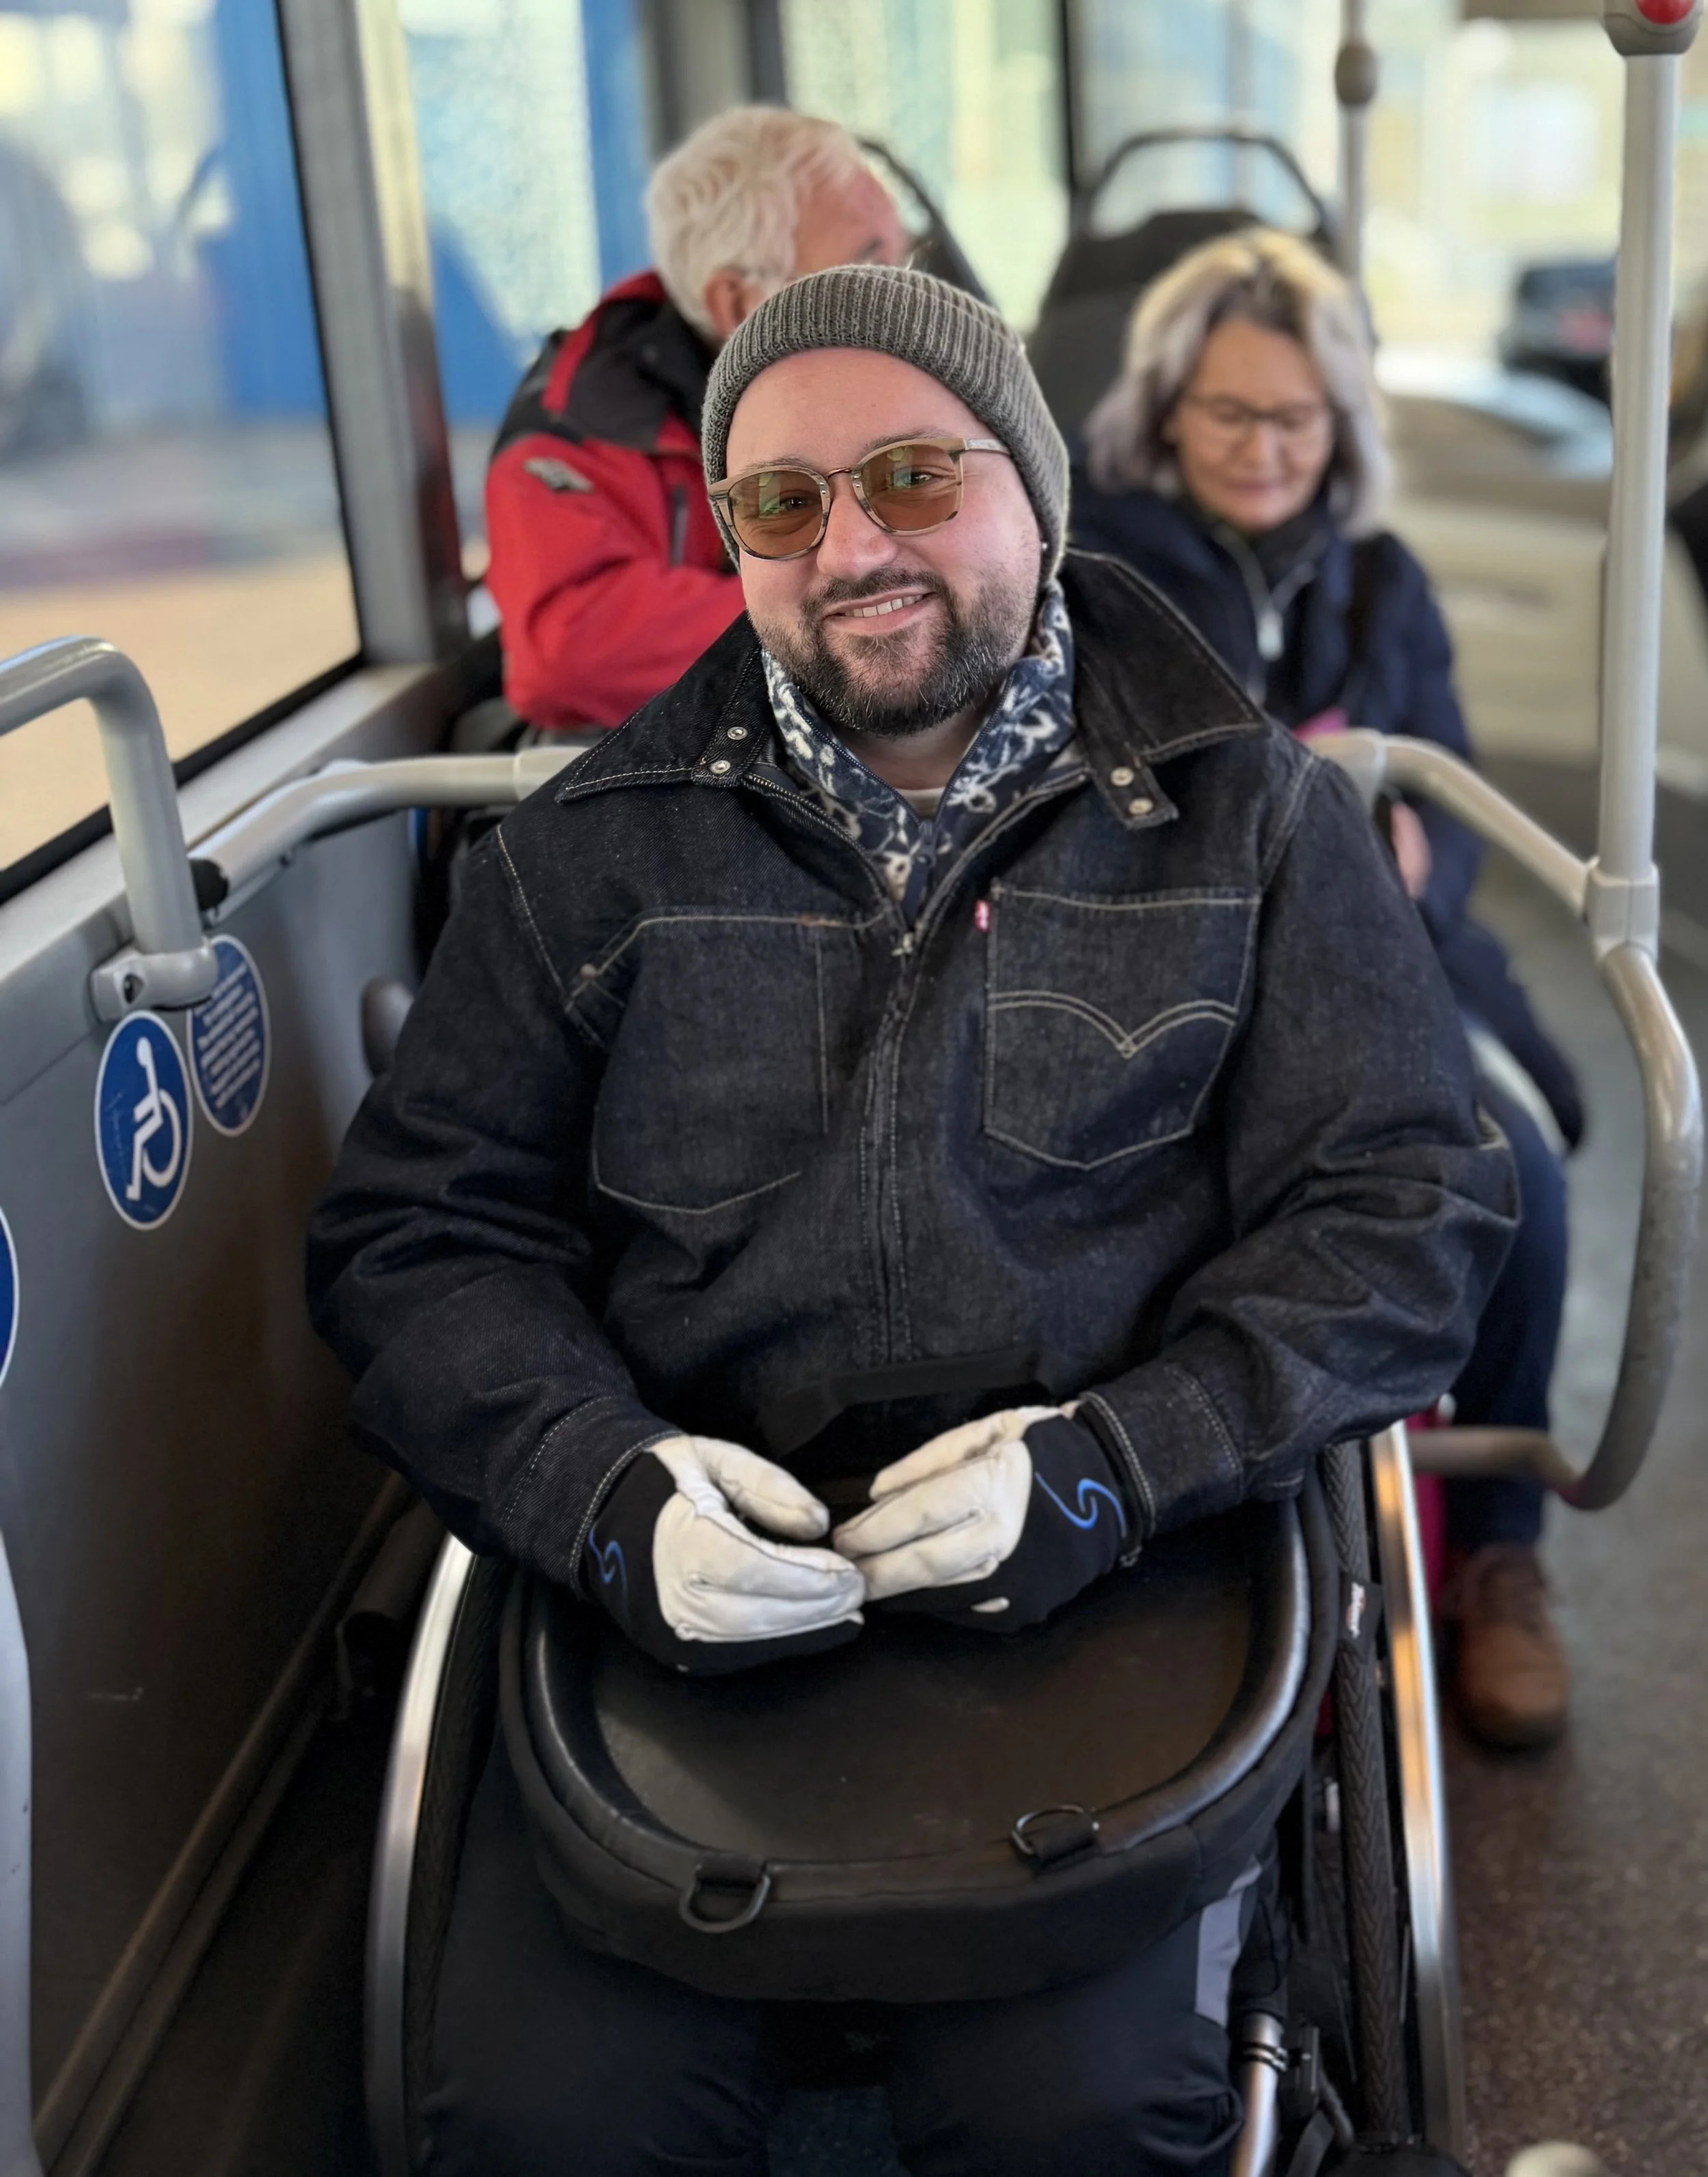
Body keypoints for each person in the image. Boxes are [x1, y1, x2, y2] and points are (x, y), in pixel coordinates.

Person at [307, 264, 1515, 2176]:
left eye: (910, 475)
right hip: (686, 1591)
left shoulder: (1244, 822)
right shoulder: (586, 852)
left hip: (1119, 1584)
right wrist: (598, 1487)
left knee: (1086, 2124)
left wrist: (1123, 1460)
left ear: (1035, 487)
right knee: (538, 2126)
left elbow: (1410, 1204)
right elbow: (418, 1236)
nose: (849, 544)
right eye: (778, 505)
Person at [1069, 227, 1580, 1753]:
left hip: (1388, 957)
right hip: (1173, 969)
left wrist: (1411, 871)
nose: (1261, 447)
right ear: (1163, 413)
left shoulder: (1379, 579)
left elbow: (1455, 804)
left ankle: (1496, 1550)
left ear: (1338, 428)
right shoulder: (1093, 572)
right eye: (1227, 413)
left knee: (1517, 1178)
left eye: (1293, 419)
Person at [485, 105, 907, 733]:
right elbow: (570, 652)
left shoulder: (897, 379)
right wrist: (852, 608)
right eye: (866, 274)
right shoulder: (576, 434)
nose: (904, 302)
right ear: (738, 303)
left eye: (906, 266)